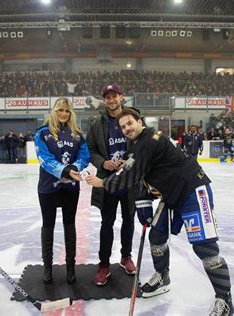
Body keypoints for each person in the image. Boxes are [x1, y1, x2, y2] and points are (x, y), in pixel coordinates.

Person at [86, 108, 234, 315]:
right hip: (172, 194)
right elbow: (142, 176)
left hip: (192, 191)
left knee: (205, 248)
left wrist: (103, 182)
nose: (127, 129)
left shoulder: (148, 140)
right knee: (156, 236)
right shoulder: (138, 144)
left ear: (140, 122)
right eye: (123, 127)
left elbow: (130, 175)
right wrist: (143, 203)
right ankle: (162, 277)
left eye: (130, 123)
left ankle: (224, 299)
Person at [34, 97, 90, 285]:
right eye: (60, 110)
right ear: (54, 111)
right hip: (47, 188)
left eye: (67, 110)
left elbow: (84, 156)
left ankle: (70, 268)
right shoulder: (42, 134)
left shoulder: (77, 135)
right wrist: (65, 170)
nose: (64, 114)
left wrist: (74, 168)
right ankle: (47, 268)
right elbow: (44, 158)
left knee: (69, 225)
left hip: (70, 188)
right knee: (48, 225)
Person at [86, 83, 137, 286]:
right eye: (108, 97)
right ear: (104, 101)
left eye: (114, 96)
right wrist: (102, 162)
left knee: (129, 220)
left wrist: (130, 161)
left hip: (129, 181)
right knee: (106, 223)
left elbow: (142, 144)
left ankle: (126, 257)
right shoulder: (97, 123)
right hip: (107, 180)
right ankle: (104, 265)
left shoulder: (131, 119)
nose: (112, 100)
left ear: (121, 97)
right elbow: (89, 148)